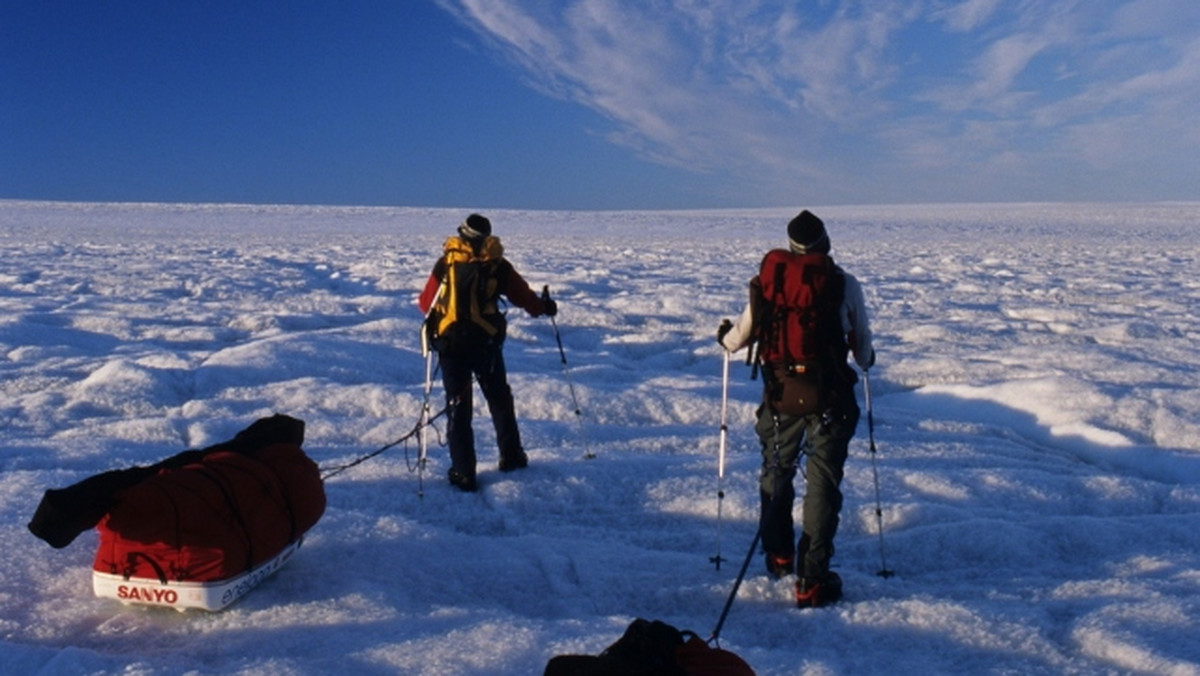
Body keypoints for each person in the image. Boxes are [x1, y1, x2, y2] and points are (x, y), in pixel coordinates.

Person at [717, 210, 874, 608]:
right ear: (826, 244)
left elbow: (737, 340)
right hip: (830, 399)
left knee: (776, 471)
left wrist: (725, 337)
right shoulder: (843, 283)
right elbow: (863, 349)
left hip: (780, 396)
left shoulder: (768, 283)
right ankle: (812, 579)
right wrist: (865, 359)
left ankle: (780, 554)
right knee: (821, 482)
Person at [418, 214, 557, 492]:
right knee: (499, 399)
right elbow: (525, 299)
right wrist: (544, 307)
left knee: (459, 408)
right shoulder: (498, 264)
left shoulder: (447, 263)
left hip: (451, 347)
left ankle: (463, 472)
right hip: (486, 346)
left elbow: (425, 303)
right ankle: (512, 456)